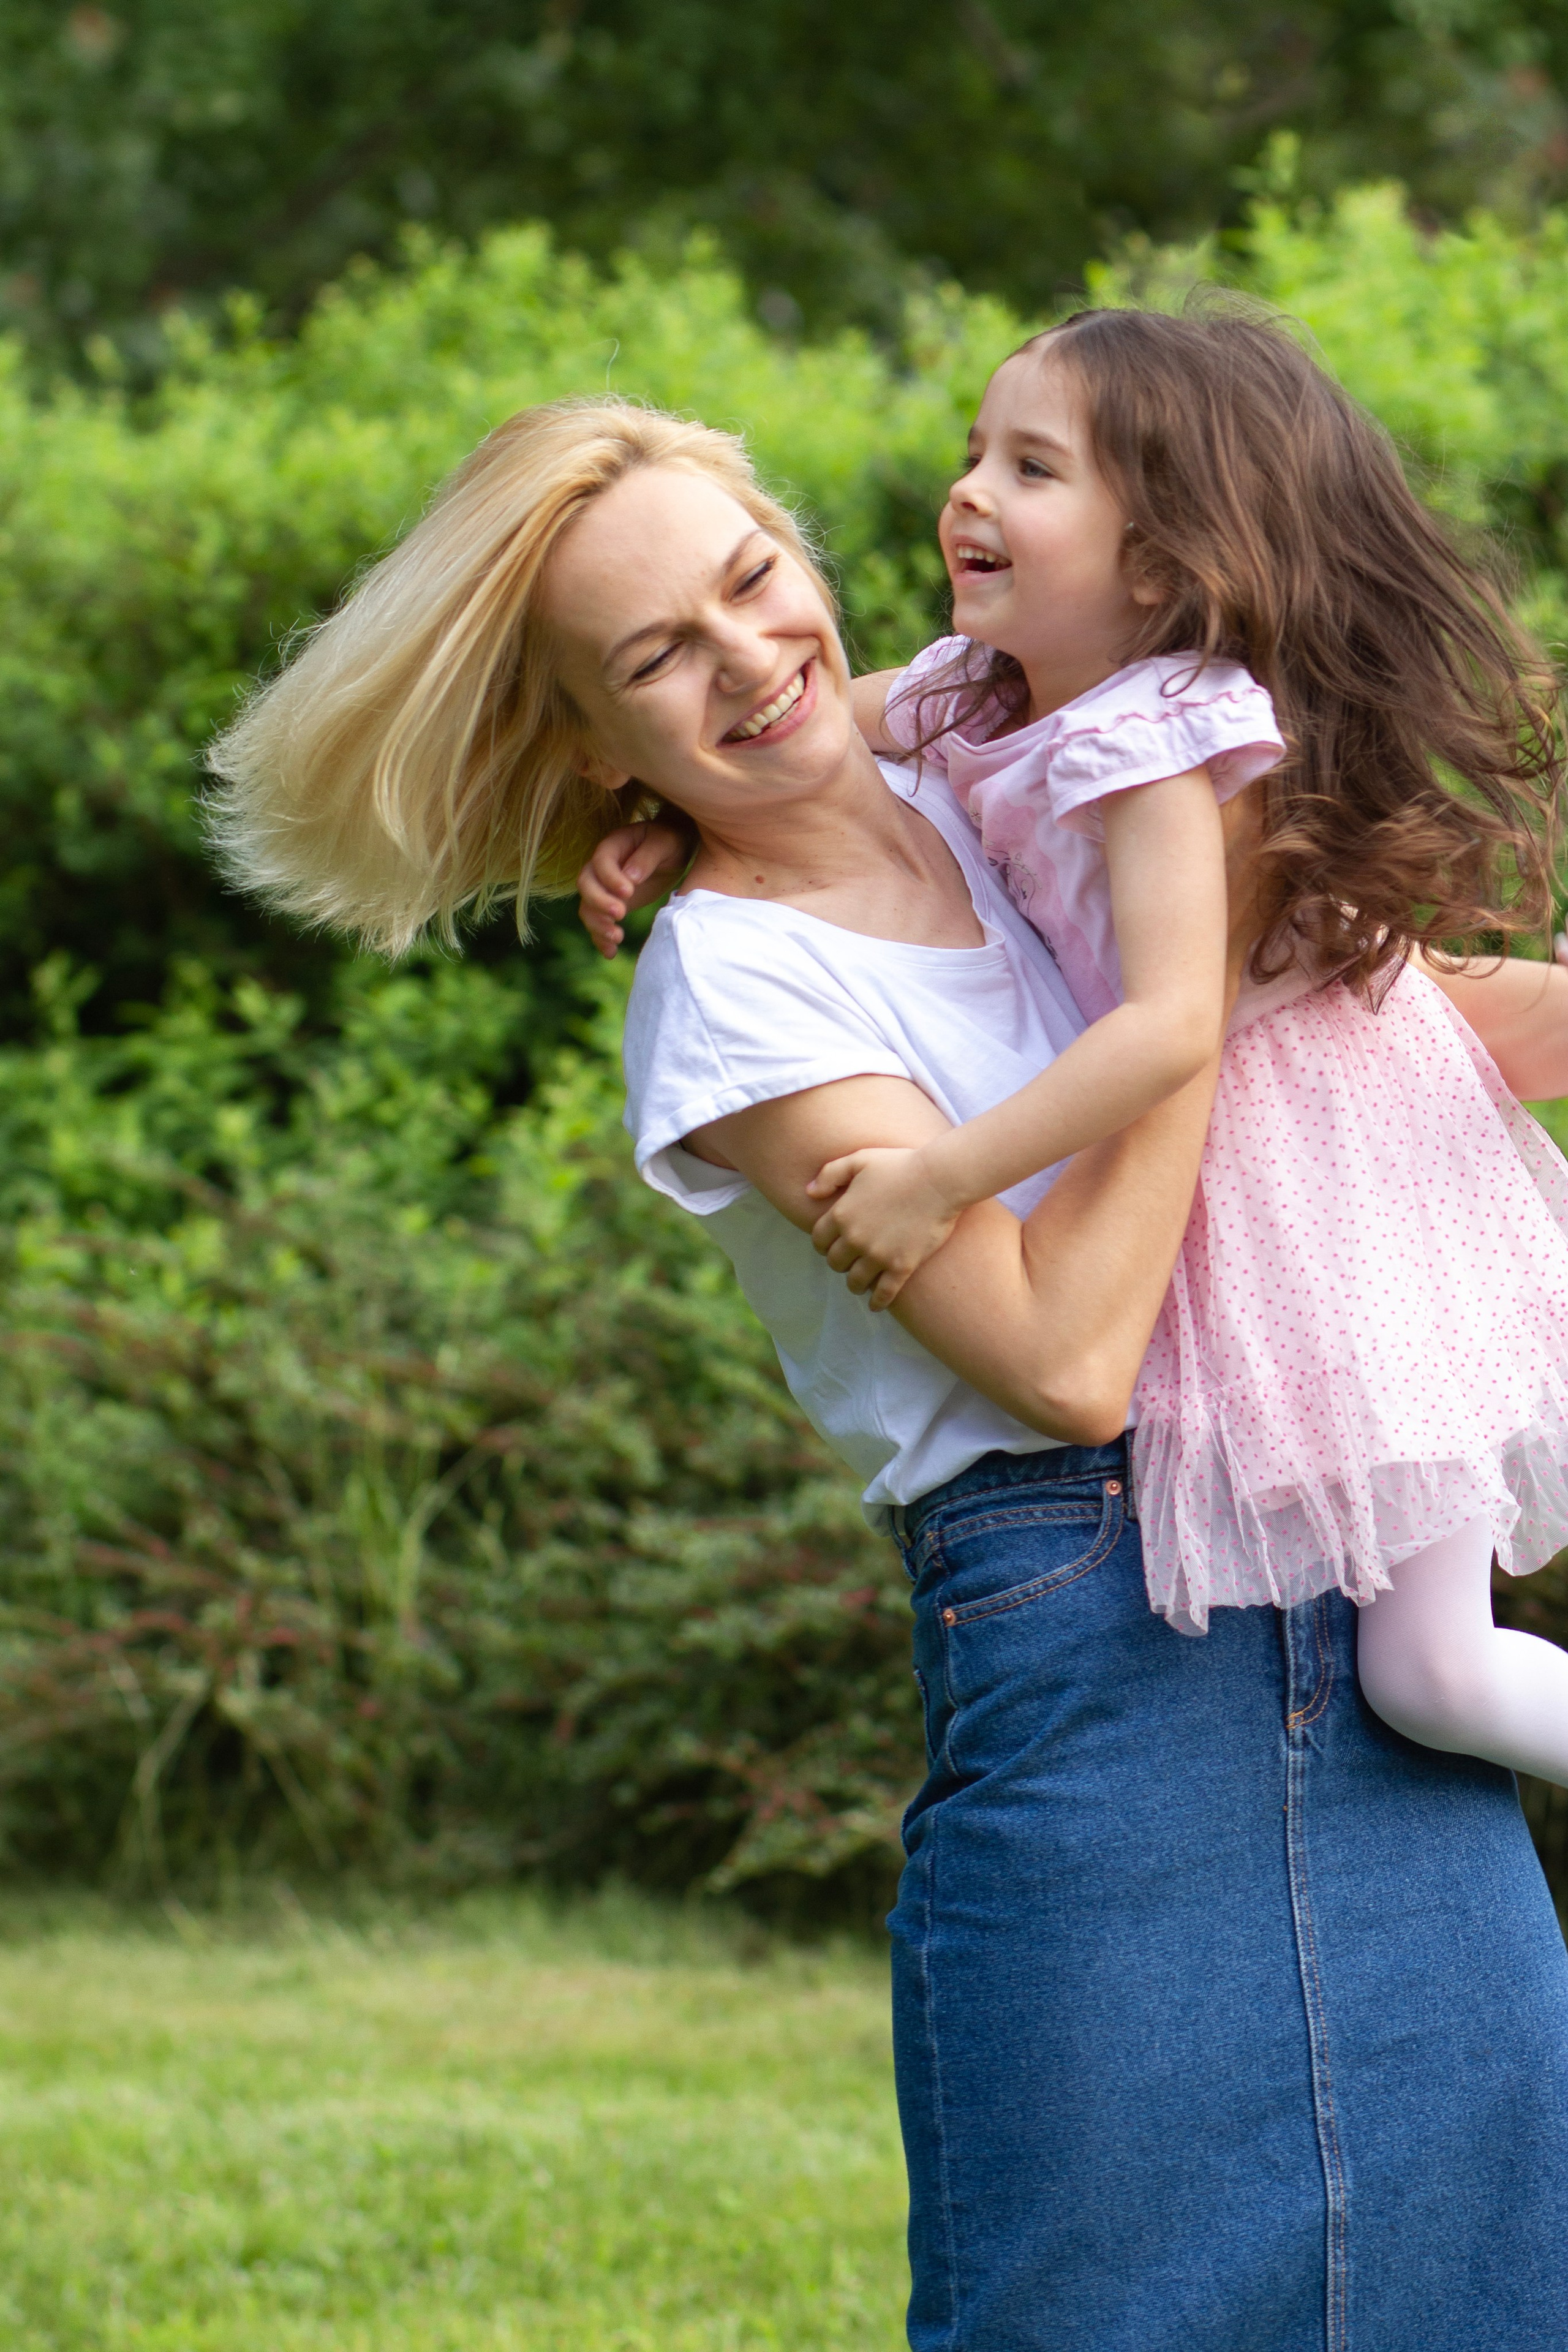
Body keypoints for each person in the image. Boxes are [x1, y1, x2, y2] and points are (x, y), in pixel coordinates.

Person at [206, 394, 1568, 2349]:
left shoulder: (989, 769)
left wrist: (1243, 962)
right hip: (1100, 1665)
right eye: (654, 661)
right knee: (1104, 2308)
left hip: (1339, 1590)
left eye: (754, 585)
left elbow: (1355, 1021)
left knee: (1483, 2281)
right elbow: (1074, 1357)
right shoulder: (735, 988)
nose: (750, 664)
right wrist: (1188, 998)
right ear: (586, 742)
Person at [584, 304, 1568, 1801]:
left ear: (1157, 564)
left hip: (1345, 1204)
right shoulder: (974, 698)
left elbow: (1175, 1026)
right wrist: (661, 816)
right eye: (974, 452)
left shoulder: (1161, 745)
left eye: (1032, 470)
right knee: (1392, 1667)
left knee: (1429, 1669)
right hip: (1245, 1208)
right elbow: (802, 727)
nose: (970, 492)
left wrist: (936, 1183)